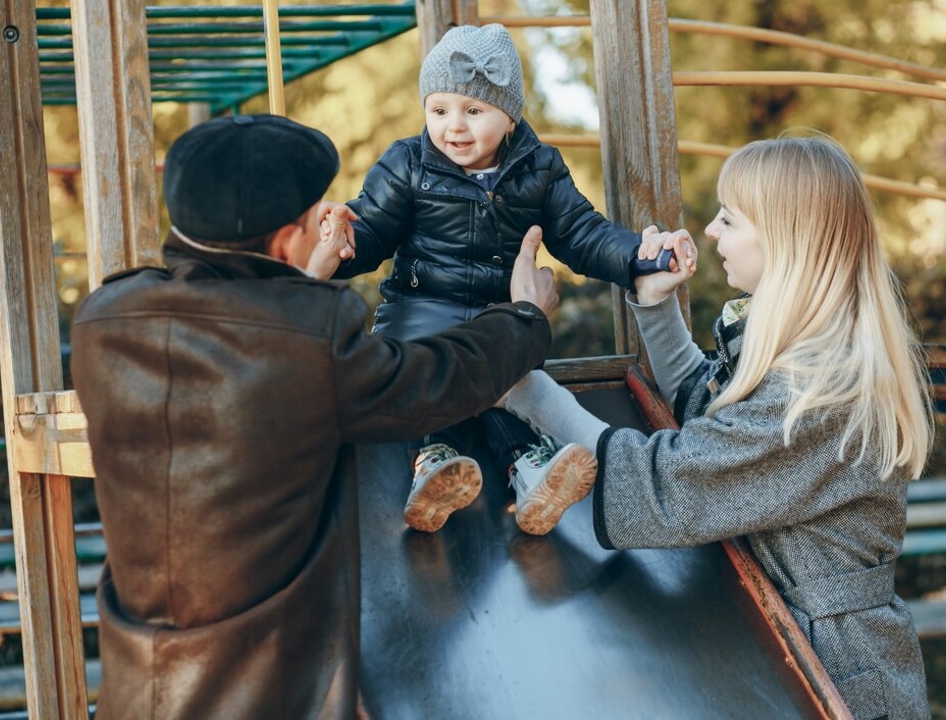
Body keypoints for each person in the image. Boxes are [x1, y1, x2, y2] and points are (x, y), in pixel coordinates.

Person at [70, 114, 559, 720]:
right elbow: (433, 379)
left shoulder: (103, 321)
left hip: (138, 686)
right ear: (282, 242)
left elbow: (230, 346)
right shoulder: (310, 338)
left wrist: (303, 278)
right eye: (311, 219)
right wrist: (523, 317)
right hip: (269, 691)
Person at [501, 137, 933, 719]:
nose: (709, 231)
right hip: (794, 648)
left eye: (729, 219)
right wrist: (654, 306)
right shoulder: (815, 358)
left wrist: (527, 388)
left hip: (838, 675)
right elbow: (715, 418)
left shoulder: (825, 392)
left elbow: (669, 486)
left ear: (783, 238)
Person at [317, 23, 676, 536]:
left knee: (507, 376)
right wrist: (344, 246)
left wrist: (637, 257)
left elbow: (581, 231)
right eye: (439, 111)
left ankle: (530, 473)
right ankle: (434, 464)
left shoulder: (540, 169)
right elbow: (371, 226)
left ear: (510, 117)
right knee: (436, 373)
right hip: (422, 317)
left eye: (473, 110)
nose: (454, 128)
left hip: (503, 318)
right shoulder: (407, 165)